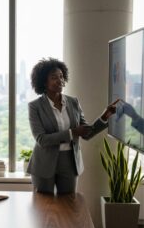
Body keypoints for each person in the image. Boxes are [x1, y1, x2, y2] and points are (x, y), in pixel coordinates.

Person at [27, 57, 118, 194]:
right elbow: (42, 139)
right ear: (43, 82)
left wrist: (105, 116)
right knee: (43, 208)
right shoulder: (35, 106)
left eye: (61, 76)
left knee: (68, 205)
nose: (60, 80)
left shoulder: (73, 102)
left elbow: (86, 133)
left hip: (70, 161)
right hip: (44, 163)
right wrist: (72, 133)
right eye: (54, 77)